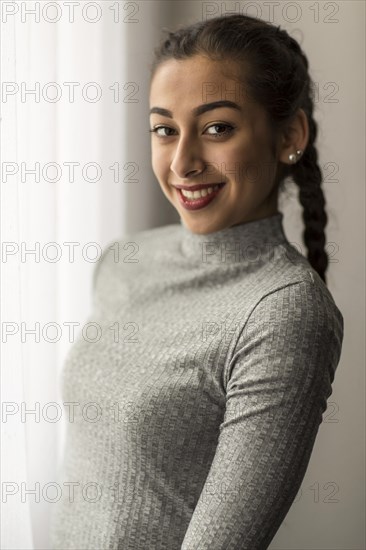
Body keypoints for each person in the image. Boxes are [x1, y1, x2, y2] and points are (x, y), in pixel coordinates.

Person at [50, 14, 344, 550]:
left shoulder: (283, 312)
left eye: (217, 128)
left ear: (290, 136)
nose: (182, 162)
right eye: (165, 129)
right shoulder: (124, 259)